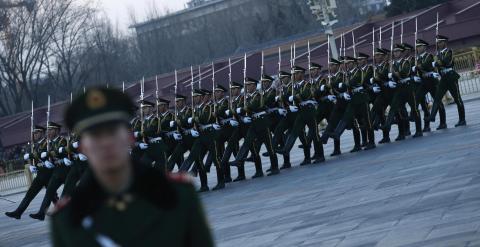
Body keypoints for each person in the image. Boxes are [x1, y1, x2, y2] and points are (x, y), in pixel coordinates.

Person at [51, 87, 214, 247]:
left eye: (113, 132)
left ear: (130, 138)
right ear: (82, 148)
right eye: (95, 136)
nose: (106, 143)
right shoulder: (67, 219)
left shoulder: (178, 196)